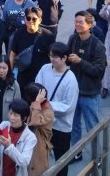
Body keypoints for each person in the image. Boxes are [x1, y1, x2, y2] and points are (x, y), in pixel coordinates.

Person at [64, 11, 106, 160]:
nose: (78, 25)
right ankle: (77, 151)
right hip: (74, 90)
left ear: (90, 24)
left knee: (92, 126)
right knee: (73, 124)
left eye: (81, 22)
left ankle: (98, 155)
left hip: (90, 92)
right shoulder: (73, 38)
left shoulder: (98, 45)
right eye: (76, 22)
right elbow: (67, 59)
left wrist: (80, 62)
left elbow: (99, 70)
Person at [34, 43, 77, 175]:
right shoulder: (45, 69)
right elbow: (36, 87)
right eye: (51, 55)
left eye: (55, 57)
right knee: (39, 157)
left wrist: (44, 104)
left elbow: (67, 107)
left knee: (61, 161)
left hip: (60, 127)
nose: (52, 59)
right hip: (44, 123)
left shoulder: (70, 79)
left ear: (64, 58)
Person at [0, 99, 37, 176]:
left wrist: (9, 146)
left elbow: (24, 162)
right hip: (0, 171)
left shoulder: (30, 137)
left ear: (24, 118)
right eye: (10, 113)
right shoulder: (5, 125)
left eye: (15, 115)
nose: (11, 117)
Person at [8, 7, 52, 90]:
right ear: (25, 19)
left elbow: (52, 57)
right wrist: (10, 74)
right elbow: (12, 55)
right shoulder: (18, 34)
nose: (31, 21)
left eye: (34, 19)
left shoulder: (48, 36)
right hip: (23, 76)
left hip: (40, 78)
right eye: (28, 18)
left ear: (40, 20)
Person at [23, 82, 53, 176]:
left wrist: (36, 103)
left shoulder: (47, 111)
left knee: (36, 171)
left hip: (39, 146)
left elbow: (34, 122)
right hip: (30, 141)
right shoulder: (34, 106)